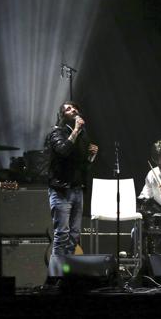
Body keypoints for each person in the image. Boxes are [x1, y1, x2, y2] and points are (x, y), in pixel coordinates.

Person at [46, 101, 98, 256]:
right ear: (63, 115)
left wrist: (91, 157)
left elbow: (82, 165)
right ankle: (56, 276)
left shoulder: (83, 135)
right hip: (62, 190)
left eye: (75, 107)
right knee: (62, 235)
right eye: (68, 109)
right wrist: (75, 130)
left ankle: (67, 273)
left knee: (74, 236)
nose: (74, 109)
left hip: (77, 189)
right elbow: (63, 150)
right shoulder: (57, 132)